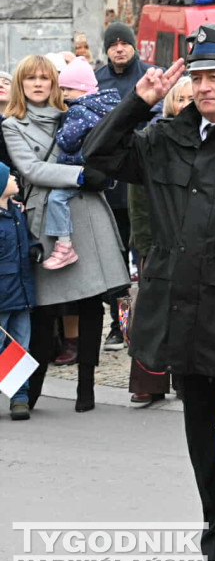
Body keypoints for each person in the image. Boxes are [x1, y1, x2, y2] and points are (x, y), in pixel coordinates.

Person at [86, 27, 215, 561]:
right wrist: (138, 101)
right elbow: (97, 155)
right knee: (204, 440)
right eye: (196, 77)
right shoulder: (167, 136)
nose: (203, 87)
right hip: (182, 308)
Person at [3, 55, 129, 414]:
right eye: (31, 79)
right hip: (46, 219)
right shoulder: (13, 124)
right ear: (20, 85)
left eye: (46, 78)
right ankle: (31, 389)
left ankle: (86, 389)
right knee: (44, 308)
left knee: (90, 302)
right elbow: (30, 168)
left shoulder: (73, 111)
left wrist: (102, 172)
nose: (39, 84)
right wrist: (78, 176)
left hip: (86, 213)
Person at [126, 75, 194, 405]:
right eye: (181, 99)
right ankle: (148, 381)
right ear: (170, 103)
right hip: (157, 243)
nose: (187, 105)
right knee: (150, 314)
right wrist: (145, 244)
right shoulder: (154, 138)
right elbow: (138, 201)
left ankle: (185, 377)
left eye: (193, 99)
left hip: (193, 245)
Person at [95, 21, 157, 352]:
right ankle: (120, 325)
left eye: (124, 43)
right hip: (110, 190)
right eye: (113, 44)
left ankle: (146, 322)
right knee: (116, 261)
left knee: (146, 257)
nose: (119, 48)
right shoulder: (97, 80)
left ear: (133, 46)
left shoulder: (149, 75)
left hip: (144, 187)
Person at [40, 57, 120, 271]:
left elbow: (69, 140)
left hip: (78, 167)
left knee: (57, 198)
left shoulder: (78, 110)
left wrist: (60, 133)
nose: (64, 94)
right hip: (100, 170)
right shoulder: (104, 105)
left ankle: (64, 245)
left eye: (68, 89)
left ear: (82, 88)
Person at [0, 161, 41, 420]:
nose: (15, 177)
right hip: (2, 295)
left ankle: (20, 397)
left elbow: (26, 238)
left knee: (20, 347)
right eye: (8, 176)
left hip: (22, 293)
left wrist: (34, 247)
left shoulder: (17, 213)